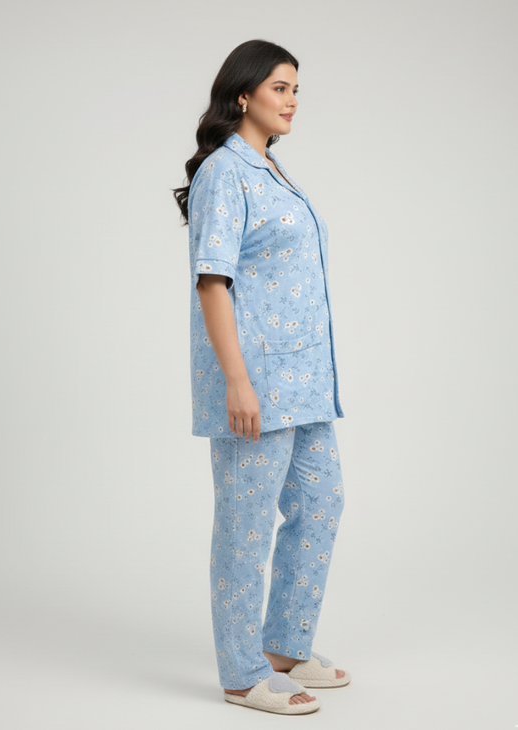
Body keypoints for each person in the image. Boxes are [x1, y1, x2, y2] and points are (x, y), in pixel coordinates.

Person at [172, 39, 351, 716]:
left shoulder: (271, 168)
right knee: (245, 526)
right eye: (280, 87)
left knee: (321, 503)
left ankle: (283, 643)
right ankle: (243, 674)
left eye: (296, 89)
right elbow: (211, 282)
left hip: (305, 382)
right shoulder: (226, 171)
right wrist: (236, 381)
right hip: (257, 383)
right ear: (243, 93)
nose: (293, 100)